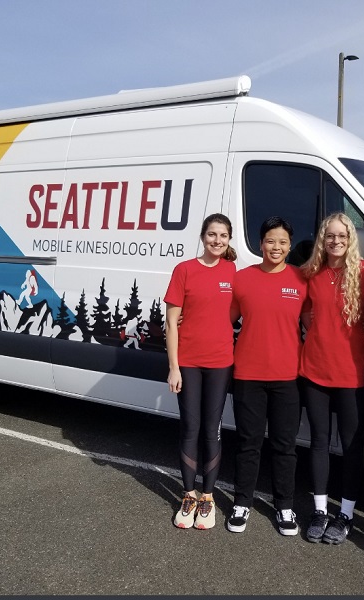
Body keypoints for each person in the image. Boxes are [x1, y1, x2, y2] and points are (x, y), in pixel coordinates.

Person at [298, 213, 364, 544]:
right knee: (318, 441)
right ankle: (319, 510)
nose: (336, 241)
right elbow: (304, 310)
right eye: (330, 236)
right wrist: (310, 323)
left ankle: (344, 514)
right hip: (314, 370)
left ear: (351, 239)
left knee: (351, 447)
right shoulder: (311, 272)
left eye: (342, 236)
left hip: (351, 375)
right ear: (322, 239)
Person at [226, 216, 308, 536]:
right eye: (270, 240)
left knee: (285, 445)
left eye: (283, 242)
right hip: (248, 374)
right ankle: (242, 501)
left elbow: (314, 326)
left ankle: (284, 505)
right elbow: (224, 322)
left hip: (288, 377)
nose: (276, 247)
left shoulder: (301, 280)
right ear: (260, 243)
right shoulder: (242, 279)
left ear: (290, 246)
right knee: (248, 443)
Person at [164, 213, 237, 530]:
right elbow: (171, 323)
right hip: (189, 364)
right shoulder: (184, 270)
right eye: (212, 234)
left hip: (221, 363)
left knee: (212, 429)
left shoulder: (233, 272)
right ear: (203, 236)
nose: (217, 240)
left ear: (229, 240)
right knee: (190, 428)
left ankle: (208, 498)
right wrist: (174, 368)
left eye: (223, 235)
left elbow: (242, 311)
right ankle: (189, 494)